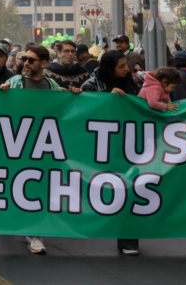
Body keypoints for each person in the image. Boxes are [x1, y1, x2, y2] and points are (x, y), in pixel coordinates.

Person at [0, 45, 80, 254]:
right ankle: (28, 228)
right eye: (25, 59)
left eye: (31, 60)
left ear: (43, 63)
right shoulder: (15, 84)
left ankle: (33, 230)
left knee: (37, 187)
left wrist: (73, 95)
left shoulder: (51, 86)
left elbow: (63, 110)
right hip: (18, 144)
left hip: (43, 145)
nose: (26, 63)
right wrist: (0, 95)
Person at [78, 49, 141, 256]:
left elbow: (142, 106)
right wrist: (107, 98)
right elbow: (84, 112)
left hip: (126, 147)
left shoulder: (131, 83)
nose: (126, 69)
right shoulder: (91, 84)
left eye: (126, 65)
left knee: (130, 189)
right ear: (109, 68)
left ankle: (128, 240)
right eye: (121, 66)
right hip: (99, 149)